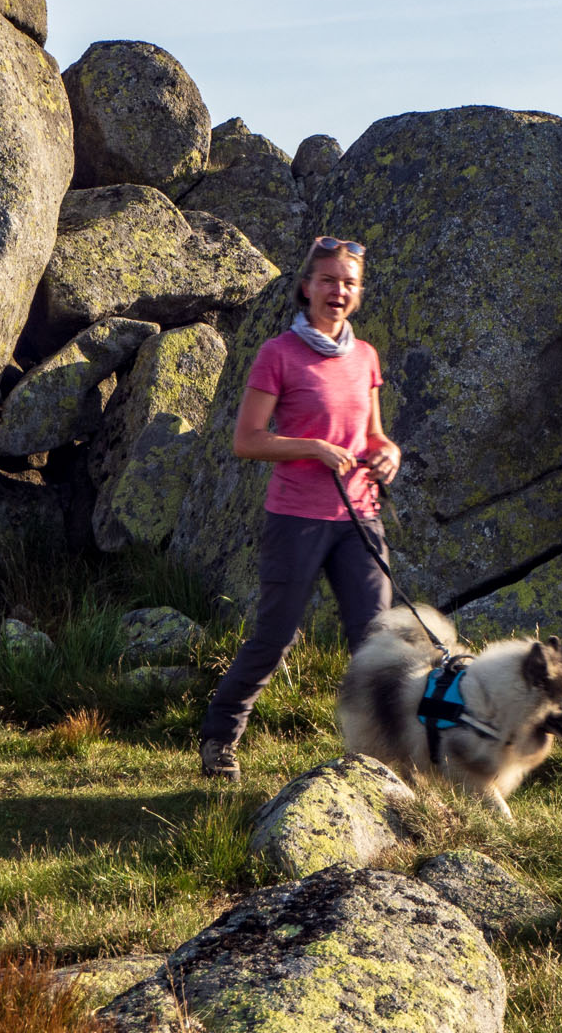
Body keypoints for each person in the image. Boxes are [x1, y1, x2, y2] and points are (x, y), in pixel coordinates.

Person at [199, 236, 403, 780]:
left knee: (377, 642)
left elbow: (375, 435)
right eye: (330, 280)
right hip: (297, 518)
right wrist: (311, 447)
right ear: (307, 287)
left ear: (358, 293)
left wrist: (389, 455)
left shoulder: (365, 357)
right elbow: (248, 440)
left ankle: (381, 757)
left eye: (349, 283)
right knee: (276, 637)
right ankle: (221, 737)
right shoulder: (278, 354)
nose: (339, 291)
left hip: (359, 516)